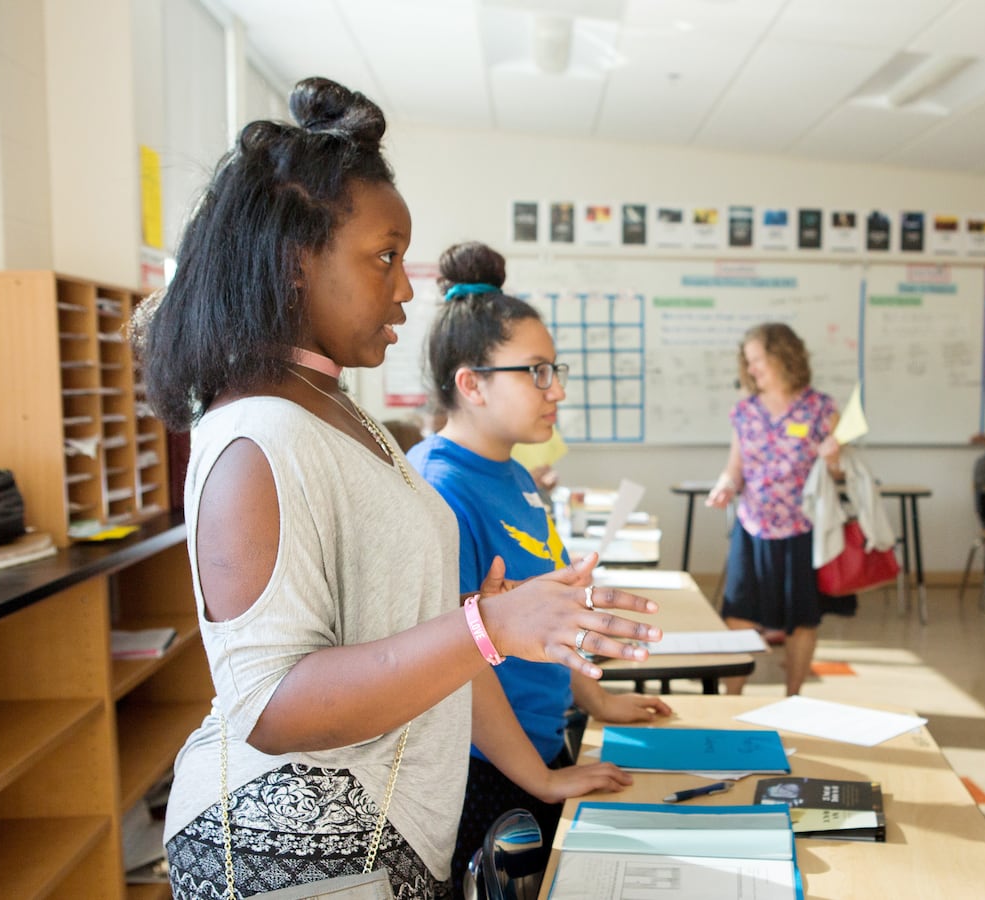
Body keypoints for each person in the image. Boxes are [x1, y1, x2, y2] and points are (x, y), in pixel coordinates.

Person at [136, 77, 660, 900]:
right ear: (294, 261)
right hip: (291, 851)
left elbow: (444, 652)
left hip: (383, 836)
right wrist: (484, 627)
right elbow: (270, 706)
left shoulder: (339, 414)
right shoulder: (256, 437)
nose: (407, 288)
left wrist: (482, 634)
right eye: (383, 257)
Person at [407, 240, 673, 895]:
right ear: (470, 384)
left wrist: (598, 701)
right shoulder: (441, 486)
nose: (556, 390)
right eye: (536, 372)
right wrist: (542, 779)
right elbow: (458, 665)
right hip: (487, 767)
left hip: (539, 739)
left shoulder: (516, 474)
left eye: (555, 370)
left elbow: (547, 620)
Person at [706, 323, 842, 696]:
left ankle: (793, 696)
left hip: (802, 530)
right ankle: (730, 699)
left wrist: (834, 458)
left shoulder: (820, 408)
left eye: (757, 360)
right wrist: (725, 486)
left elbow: (839, 475)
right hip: (752, 529)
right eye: (747, 362)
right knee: (738, 615)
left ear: (784, 356)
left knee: (802, 620)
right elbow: (735, 467)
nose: (751, 369)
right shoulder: (745, 411)